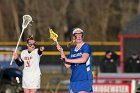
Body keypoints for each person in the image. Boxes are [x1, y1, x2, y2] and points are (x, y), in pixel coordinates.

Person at [56, 28, 93, 93]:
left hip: (85, 78)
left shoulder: (86, 46)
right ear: (73, 37)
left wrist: (67, 59)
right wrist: (61, 51)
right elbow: (67, 65)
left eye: (80, 34)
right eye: (76, 35)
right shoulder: (72, 50)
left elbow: (83, 59)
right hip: (74, 79)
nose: (78, 36)